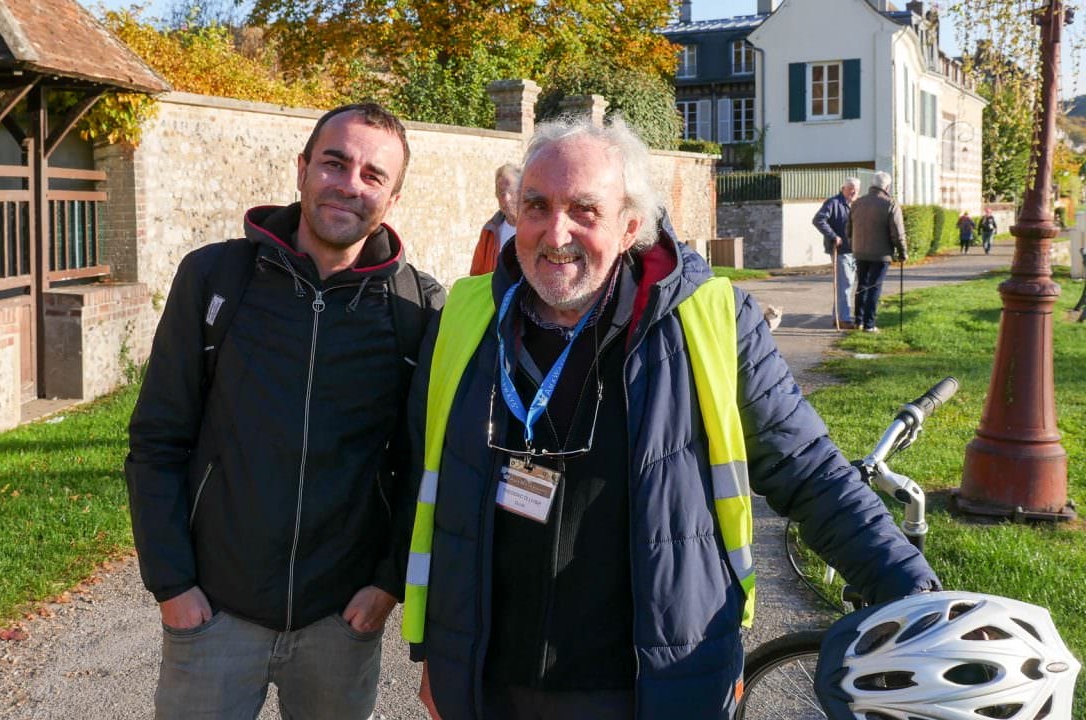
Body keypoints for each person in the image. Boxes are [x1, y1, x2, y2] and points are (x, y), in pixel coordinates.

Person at [401, 117, 939, 720]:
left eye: (584, 210)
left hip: (649, 687)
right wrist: (438, 659)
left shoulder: (708, 318)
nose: (556, 233)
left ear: (632, 225)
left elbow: (808, 469)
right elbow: (427, 487)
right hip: (485, 683)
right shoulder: (467, 316)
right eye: (537, 206)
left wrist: (912, 592)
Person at [125, 103, 442, 720]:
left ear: (393, 199)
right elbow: (158, 439)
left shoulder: (418, 309)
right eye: (335, 162)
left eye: (373, 175)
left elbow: (421, 466)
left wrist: (387, 582)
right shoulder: (216, 278)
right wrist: (173, 586)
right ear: (302, 170)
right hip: (213, 614)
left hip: (340, 623)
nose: (350, 183)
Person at [847, 171, 907, 334]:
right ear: (887, 186)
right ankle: (869, 324)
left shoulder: (858, 203)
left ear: (872, 185)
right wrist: (903, 252)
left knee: (862, 285)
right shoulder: (890, 204)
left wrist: (853, 244)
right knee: (874, 286)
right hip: (881, 253)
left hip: (859, 251)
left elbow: (849, 229)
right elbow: (897, 233)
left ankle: (858, 321)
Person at [813, 177, 861, 329]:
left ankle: (839, 317)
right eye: (851, 188)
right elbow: (818, 220)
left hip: (854, 251)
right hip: (840, 251)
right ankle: (843, 319)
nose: (853, 192)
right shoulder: (833, 203)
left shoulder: (855, 204)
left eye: (856, 189)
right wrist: (834, 236)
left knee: (847, 285)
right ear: (843, 188)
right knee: (845, 285)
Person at [470, 163, 521, 276]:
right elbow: (476, 275)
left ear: (522, 191)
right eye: (501, 193)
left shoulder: (536, 227)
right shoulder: (489, 232)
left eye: (511, 191)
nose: (506, 199)